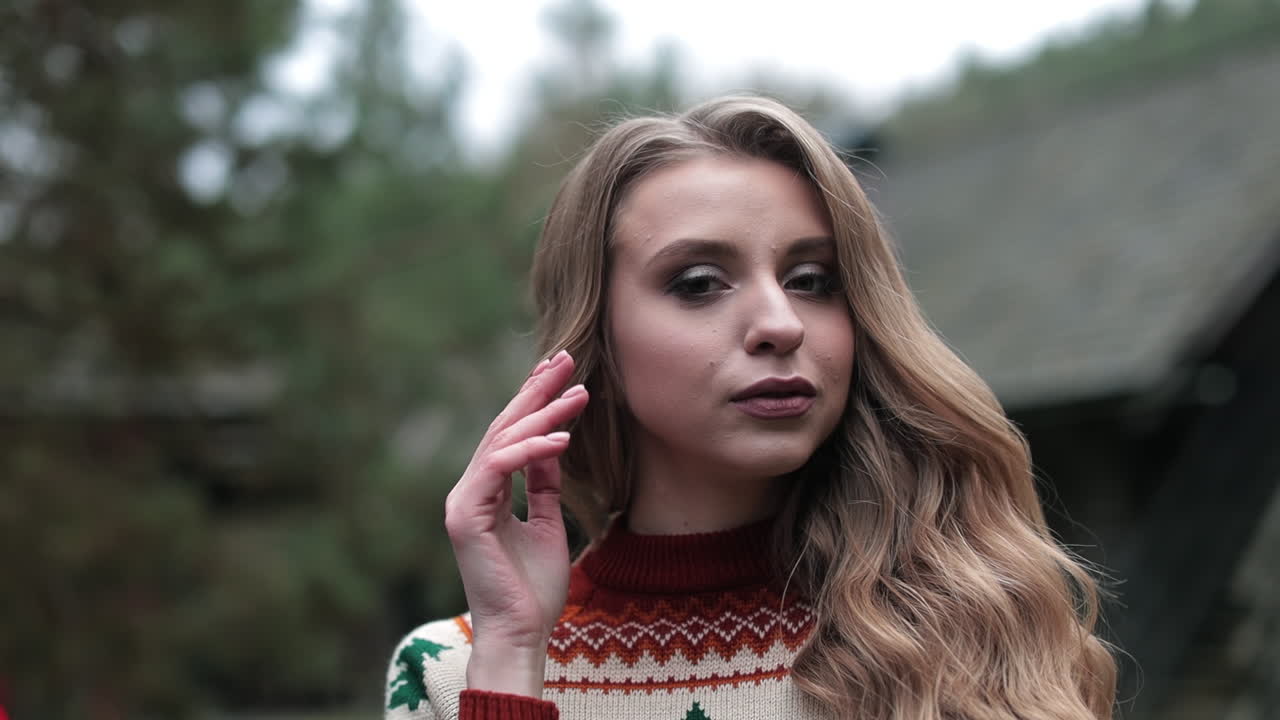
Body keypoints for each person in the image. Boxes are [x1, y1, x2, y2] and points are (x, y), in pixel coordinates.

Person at [384, 96, 1117, 720]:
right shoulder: (450, 674)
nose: (781, 323)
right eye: (700, 282)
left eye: (812, 279)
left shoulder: (979, 628)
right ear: (598, 342)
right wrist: (514, 658)